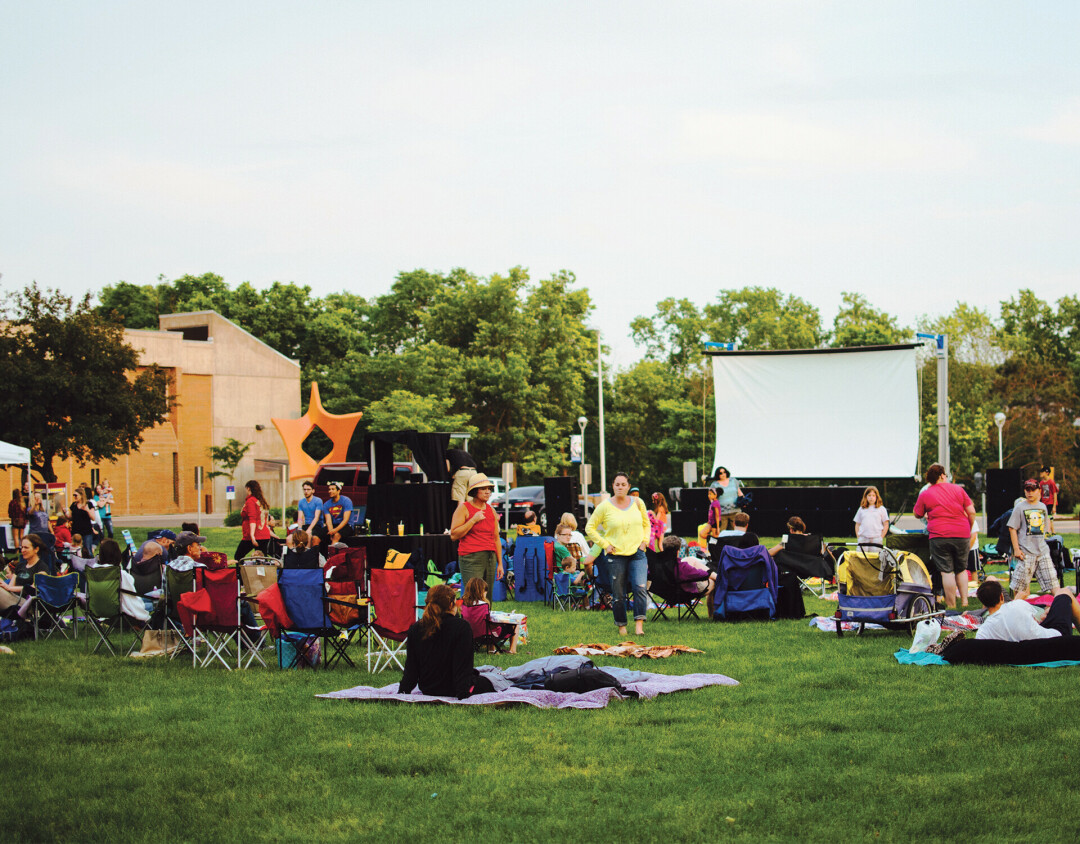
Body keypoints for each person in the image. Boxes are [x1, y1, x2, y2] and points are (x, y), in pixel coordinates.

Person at [398, 584, 495, 698]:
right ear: (450, 605)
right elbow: (463, 668)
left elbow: (411, 669)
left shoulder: (416, 628)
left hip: (428, 688)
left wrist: (403, 691)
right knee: (500, 678)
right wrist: (463, 693)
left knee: (488, 673)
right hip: (455, 688)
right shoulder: (461, 627)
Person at [586, 470, 650, 638]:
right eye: (617, 484)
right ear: (612, 486)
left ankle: (639, 626)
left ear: (628, 486)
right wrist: (604, 544)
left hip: (637, 553)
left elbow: (646, 524)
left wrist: (645, 542)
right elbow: (589, 528)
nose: (620, 487)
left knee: (640, 587)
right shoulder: (604, 506)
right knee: (618, 593)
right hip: (615, 555)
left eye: (623, 484)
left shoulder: (638, 502)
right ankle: (622, 626)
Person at [913, 463, 976, 609]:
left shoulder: (926, 493)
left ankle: (951, 604)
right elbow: (971, 511)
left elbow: (917, 514)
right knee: (961, 569)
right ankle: (965, 601)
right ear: (942, 475)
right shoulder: (958, 489)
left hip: (939, 535)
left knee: (946, 571)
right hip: (961, 533)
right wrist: (969, 526)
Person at [975, 578, 1080, 642]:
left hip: (1037, 639)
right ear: (1002, 597)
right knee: (1064, 592)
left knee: (1049, 612)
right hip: (1056, 637)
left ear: (983, 603)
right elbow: (1038, 618)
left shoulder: (983, 631)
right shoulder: (1018, 605)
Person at [450, 473, 503, 597]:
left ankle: (485, 616)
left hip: (490, 556)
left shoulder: (491, 510)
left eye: (489, 489)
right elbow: (454, 535)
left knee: (487, 594)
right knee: (473, 595)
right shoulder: (464, 508)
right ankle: (470, 617)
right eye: (483, 489)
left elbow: (496, 538)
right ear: (474, 491)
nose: (487, 492)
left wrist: (500, 563)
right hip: (471, 557)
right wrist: (473, 520)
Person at [1008, 479, 1057, 596]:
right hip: (1026, 553)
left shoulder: (1043, 507)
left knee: (1054, 585)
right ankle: (1017, 610)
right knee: (1021, 589)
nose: (1030, 492)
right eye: (1027, 490)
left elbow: (1045, 528)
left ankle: (1060, 609)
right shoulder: (1019, 507)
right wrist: (1016, 549)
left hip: (1042, 552)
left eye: (1033, 490)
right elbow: (1012, 528)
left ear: (1039, 491)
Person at [0, 534, 49, 626]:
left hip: (28, 604)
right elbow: (10, 586)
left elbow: (33, 588)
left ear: (36, 549)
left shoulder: (42, 568)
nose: (22, 550)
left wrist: (9, 588)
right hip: (13, 600)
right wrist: (4, 585)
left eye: (26, 547)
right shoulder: (20, 566)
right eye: (21, 547)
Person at [462, 577, 519, 653]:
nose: (486, 593)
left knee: (487, 626)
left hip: (470, 635)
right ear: (481, 592)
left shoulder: (464, 605)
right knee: (515, 624)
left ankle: (491, 649)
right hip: (487, 637)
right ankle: (512, 650)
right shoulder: (483, 605)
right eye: (485, 591)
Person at [234, 481, 273, 561]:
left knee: (238, 556)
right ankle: (263, 573)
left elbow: (253, 519)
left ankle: (242, 573)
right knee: (262, 559)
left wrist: (252, 536)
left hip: (253, 535)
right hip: (264, 534)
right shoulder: (261, 501)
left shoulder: (251, 501)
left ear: (248, 488)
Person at [318, 481, 354, 546]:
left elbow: (345, 520)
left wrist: (335, 531)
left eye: (333, 489)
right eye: (329, 489)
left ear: (338, 491)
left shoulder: (346, 500)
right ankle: (315, 555)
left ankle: (333, 555)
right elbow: (328, 521)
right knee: (316, 537)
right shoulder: (326, 504)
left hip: (346, 525)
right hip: (333, 525)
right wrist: (331, 531)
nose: (330, 491)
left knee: (336, 536)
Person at [710, 467, 744, 531]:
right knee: (722, 533)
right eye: (720, 473)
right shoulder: (714, 485)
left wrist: (744, 501)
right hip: (722, 513)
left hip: (735, 511)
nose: (723, 474)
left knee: (735, 532)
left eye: (724, 472)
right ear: (717, 475)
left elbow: (740, 493)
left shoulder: (733, 481)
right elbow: (711, 499)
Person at [69, 488, 96, 558]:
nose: (74, 497)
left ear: (81, 495)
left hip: (86, 531)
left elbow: (93, 517)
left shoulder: (88, 504)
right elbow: (71, 517)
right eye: (73, 495)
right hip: (76, 532)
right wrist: (65, 512)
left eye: (76, 495)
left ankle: (91, 565)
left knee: (88, 550)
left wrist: (87, 510)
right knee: (76, 550)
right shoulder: (73, 505)